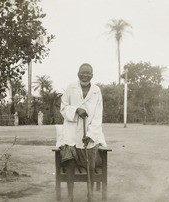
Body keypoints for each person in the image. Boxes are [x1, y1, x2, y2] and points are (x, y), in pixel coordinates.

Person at [59, 63, 107, 202]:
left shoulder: (96, 91)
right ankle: (70, 195)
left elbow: (98, 116)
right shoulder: (70, 88)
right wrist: (76, 110)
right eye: (83, 72)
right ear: (78, 73)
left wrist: (90, 134)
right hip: (71, 132)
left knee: (90, 164)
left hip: (90, 133)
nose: (85, 75)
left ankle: (90, 194)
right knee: (70, 161)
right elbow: (63, 108)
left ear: (92, 75)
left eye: (88, 73)